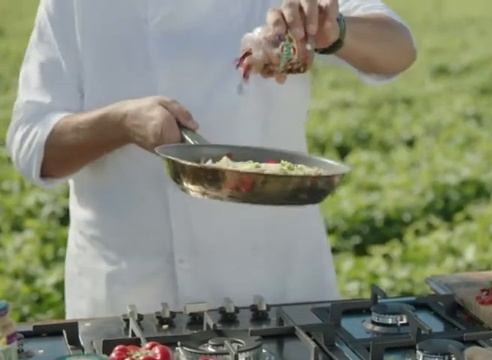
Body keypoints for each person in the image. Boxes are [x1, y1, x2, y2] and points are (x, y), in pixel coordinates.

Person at [7, 0, 416, 319]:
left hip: (276, 285)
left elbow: (398, 49)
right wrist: (121, 123)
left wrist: (335, 31)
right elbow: (31, 143)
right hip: (131, 295)